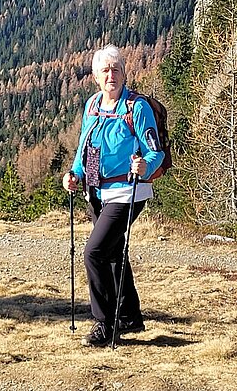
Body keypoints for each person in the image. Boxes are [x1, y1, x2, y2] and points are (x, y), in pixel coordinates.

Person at [63, 44, 164, 347]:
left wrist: (145, 164)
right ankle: (131, 318)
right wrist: (74, 174)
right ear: (95, 77)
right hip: (96, 191)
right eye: (105, 71)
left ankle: (105, 324)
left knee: (94, 252)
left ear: (124, 74)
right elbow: (84, 148)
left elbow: (154, 151)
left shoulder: (137, 108)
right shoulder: (93, 105)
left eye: (116, 69)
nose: (111, 75)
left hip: (128, 192)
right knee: (113, 253)